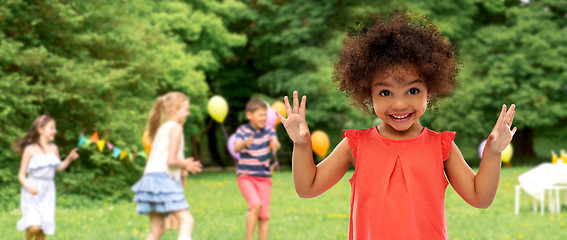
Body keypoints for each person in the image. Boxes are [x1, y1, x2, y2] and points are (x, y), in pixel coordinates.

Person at [276, 10, 517, 239]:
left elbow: (480, 197)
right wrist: (301, 144)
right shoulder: (355, 144)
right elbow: (308, 187)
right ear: (368, 95)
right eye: (385, 93)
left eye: (413, 90)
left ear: (429, 91)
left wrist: (494, 152)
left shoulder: (441, 147)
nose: (400, 104)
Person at [131, 92, 203, 240]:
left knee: (157, 231)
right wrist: (186, 165)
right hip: (162, 179)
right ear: (176, 109)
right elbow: (171, 161)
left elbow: (164, 157)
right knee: (187, 220)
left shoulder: (163, 128)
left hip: (150, 180)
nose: (188, 113)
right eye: (186, 109)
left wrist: (182, 168)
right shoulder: (175, 128)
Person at [16, 115, 79, 240]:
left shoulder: (54, 148)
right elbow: (21, 175)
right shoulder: (30, 150)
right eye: (51, 128)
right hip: (33, 190)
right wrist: (29, 186)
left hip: (48, 191)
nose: (55, 131)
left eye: (55, 128)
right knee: (34, 226)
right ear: (41, 130)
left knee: (42, 231)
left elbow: (59, 167)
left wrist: (69, 159)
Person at [233, 98, 281, 240]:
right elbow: (236, 147)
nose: (264, 118)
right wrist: (245, 143)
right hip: (246, 176)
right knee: (255, 206)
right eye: (260, 115)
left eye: (265, 115)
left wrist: (274, 143)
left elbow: (276, 144)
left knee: (264, 216)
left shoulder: (269, 130)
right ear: (249, 115)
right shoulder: (243, 131)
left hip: (264, 179)